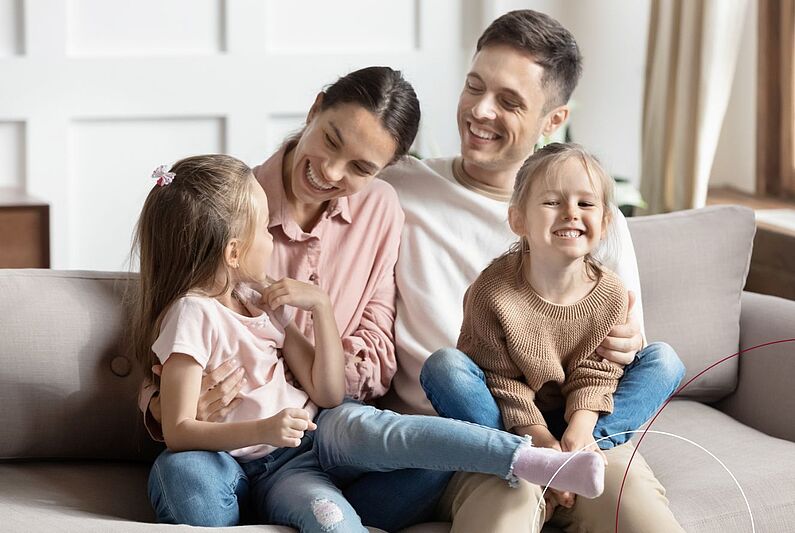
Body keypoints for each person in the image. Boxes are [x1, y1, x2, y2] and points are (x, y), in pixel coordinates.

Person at [131, 153, 606, 532]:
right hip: (278, 466)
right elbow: (179, 431)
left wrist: (319, 308)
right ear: (234, 252)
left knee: (395, 433)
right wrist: (265, 429)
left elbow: (328, 393)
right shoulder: (191, 314)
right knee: (330, 519)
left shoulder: (258, 299)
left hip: (319, 430)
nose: (271, 241)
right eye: (262, 231)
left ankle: (533, 460)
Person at [375, 10, 686, 533]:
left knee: (640, 516)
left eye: (510, 101)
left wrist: (627, 344)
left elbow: (619, 354)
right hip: (468, 437)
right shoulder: (399, 187)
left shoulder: (593, 221)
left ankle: (563, 462)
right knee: (504, 508)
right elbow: (296, 188)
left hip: (579, 431)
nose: (481, 110)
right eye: (475, 86)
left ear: (552, 120)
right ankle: (541, 462)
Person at [137, 66, 420, 526]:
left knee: (430, 459)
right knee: (184, 474)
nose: (331, 171)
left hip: (316, 428)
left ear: (382, 170)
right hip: (226, 443)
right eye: (331, 140)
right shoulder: (232, 203)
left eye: (361, 168)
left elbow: (377, 350)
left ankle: (298, 501)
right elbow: (171, 321)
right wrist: (164, 404)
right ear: (315, 109)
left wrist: (306, 367)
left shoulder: (380, 208)